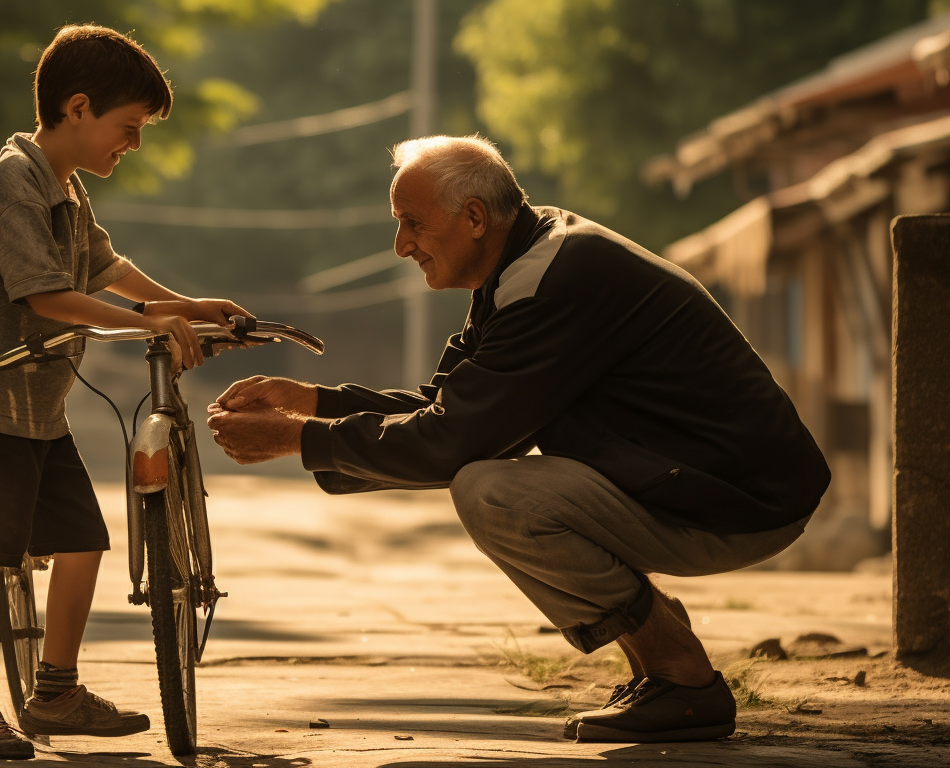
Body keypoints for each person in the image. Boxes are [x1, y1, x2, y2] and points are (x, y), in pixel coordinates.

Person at [206, 135, 829, 744]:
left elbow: (452, 438)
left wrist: (299, 439)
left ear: (474, 218)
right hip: (703, 480)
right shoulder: (529, 261)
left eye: (412, 224)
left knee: (494, 493)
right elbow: (446, 404)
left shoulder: (550, 282)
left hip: (740, 500)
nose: (402, 246)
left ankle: (683, 678)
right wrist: (310, 403)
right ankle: (660, 668)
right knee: (491, 483)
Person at [0, 25, 252, 760]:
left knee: (82, 541)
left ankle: (56, 690)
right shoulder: (14, 181)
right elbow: (47, 296)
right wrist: (146, 321)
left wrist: (185, 305)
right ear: (77, 108)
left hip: (36, 405)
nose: (132, 145)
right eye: (127, 129)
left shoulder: (61, 186)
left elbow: (103, 267)